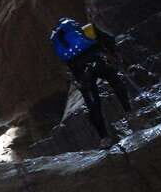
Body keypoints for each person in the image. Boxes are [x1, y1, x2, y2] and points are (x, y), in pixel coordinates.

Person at [50, 17, 132, 148]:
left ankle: (104, 138)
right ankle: (130, 114)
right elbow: (109, 40)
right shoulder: (88, 30)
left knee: (93, 104)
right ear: (75, 25)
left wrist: (76, 80)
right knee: (116, 83)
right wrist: (115, 55)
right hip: (98, 63)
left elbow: (66, 66)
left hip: (81, 73)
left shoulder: (61, 44)